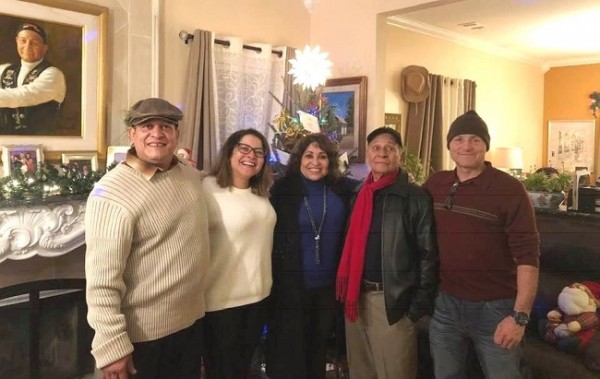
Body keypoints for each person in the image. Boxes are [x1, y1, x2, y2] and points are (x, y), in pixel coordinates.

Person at [85, 98, 209, 379]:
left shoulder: (189, 176)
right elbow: (102, 282)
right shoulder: (111, 193)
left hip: (191, 324)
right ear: (132, 134)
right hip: (143, 338)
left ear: (177, 134)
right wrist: (111, 346)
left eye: (166, 126)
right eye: (147, 126)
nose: (157, 133)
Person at [423, 110, 540, 378]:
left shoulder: (510, 190)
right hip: (445, 305)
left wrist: (519, 317)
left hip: (496, 309)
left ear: (485, 145)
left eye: (475, 139)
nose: (466, 146)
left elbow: (528, 257)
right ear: (449, 144)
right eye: (459, 139)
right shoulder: (436, 184)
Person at [336, 126, 438, 378]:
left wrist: (415, 310)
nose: (382, 153)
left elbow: (428, 255)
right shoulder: (358, 193)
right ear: (369, 154)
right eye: (376, 148)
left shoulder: (415, 197)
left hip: (393, 304)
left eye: (389, 148)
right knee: (362, 372)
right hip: (355, 300)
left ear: (399, 155)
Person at [266, 133, 358, 379]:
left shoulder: (343, 190)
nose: (315, 162)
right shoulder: (282, 192)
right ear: (298, 160)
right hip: (291, 287)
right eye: (308, 156)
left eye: (322, 156)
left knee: (318, 351)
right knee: (291, 354)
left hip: (329, 289)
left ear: (330, 161)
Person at [201, 128, 276, 379]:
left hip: (258, 299)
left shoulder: (261, 193)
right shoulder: (207, 189)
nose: (251, 156)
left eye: (258, 152)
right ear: (230, 151)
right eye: (244, 149)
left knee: (243, 371)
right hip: (221, 304)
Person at [0, 22, 66, 135]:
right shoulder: (4, 70)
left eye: (34, 43)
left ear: (45, 48)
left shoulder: (53, 74)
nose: (27, 46)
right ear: (16, 41)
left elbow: (23, 96)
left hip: (43, 143)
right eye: (23, 41)